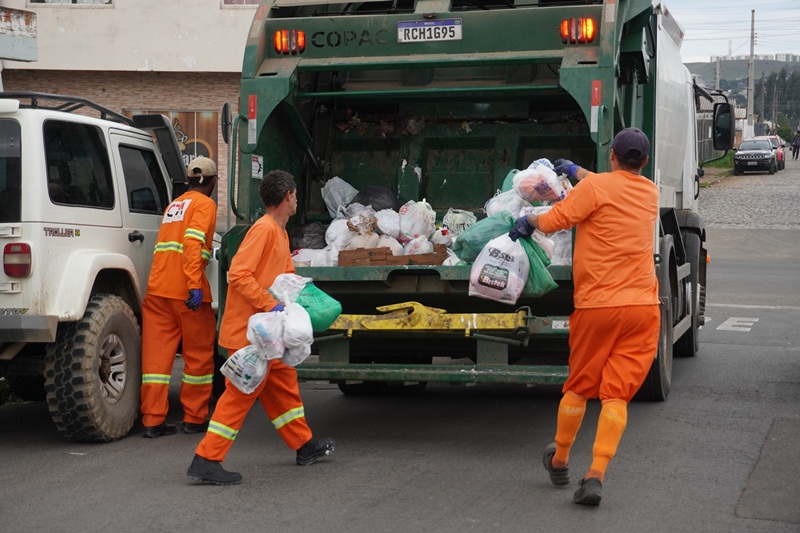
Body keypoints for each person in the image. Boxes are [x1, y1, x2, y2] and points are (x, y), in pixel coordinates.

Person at [508, 127, 660, 507]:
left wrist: (528, 223)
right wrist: (575, 171)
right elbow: (610, 186)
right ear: (643, 162)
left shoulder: (596, 189)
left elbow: (560, 217)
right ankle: (596, 473)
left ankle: (559, 460)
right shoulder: (650, 192)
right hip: (643, 309)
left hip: (599, 307)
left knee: (579, 386)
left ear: (612, 156)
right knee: (616, 396)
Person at [187, 170, 335, 485]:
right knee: (240, 395)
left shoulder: (279, 231)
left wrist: (302, 302)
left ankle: (303, 445)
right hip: (249, 334)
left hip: (267, 333)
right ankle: (206, 459)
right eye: (295, 195)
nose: (296, 199)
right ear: (288, 196)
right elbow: (238, 275)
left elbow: (285, 279)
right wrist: (272, 305)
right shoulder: (264, 230)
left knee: (284, 384)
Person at [140, 156, 219, 438]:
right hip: (187, 294)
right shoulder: (205, 204)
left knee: (156, 362)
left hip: (158, 290)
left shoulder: (174, 204)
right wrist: (195, 285)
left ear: (188, 181)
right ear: (212, 182)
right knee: (197, 357)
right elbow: (192, 242)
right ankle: (194, 419)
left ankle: (152, 421)